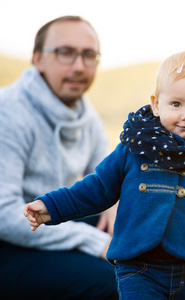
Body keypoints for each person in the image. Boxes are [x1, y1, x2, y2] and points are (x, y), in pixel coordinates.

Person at [24, 51, 185, 300]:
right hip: (139, 270)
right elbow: (97, 188)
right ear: (156, 104)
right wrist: (52, 206)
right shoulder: (135, 148)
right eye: (176, 104)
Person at [0, 16, 118, 299]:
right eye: (65, 52)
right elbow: (4, 216)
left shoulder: (85, 115)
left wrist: (117, 204)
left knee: (146, 256)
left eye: (89, 55)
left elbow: (108, 177)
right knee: (113, 281)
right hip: (7, 244)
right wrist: (94, 240)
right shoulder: (9, 112)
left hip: (49, 227)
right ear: (38, 59)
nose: (79, 66)